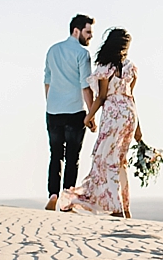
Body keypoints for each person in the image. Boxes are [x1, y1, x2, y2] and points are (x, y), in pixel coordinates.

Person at [60, 27, 141, 217]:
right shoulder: (131, 68)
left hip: (113, 115)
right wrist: (138, 128)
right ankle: (124, 206)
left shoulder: (105, 68)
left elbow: (102, 96)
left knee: (106, 158)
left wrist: (89, 117)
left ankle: (116, 207)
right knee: (120, 160)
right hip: (129, 115)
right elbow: (131, 97)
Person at [43, 14, 97, 210]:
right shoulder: (82, 54)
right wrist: (91, 114)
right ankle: (67, 199)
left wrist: (50, 104)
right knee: (72, 157)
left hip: (53, 111)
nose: (90, 36)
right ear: (77, 30)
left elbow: (47, 81)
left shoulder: (52, 50)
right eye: (88, 32)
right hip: (75, 111)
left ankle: (53, 194)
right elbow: (85, 86)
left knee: (55, 155)